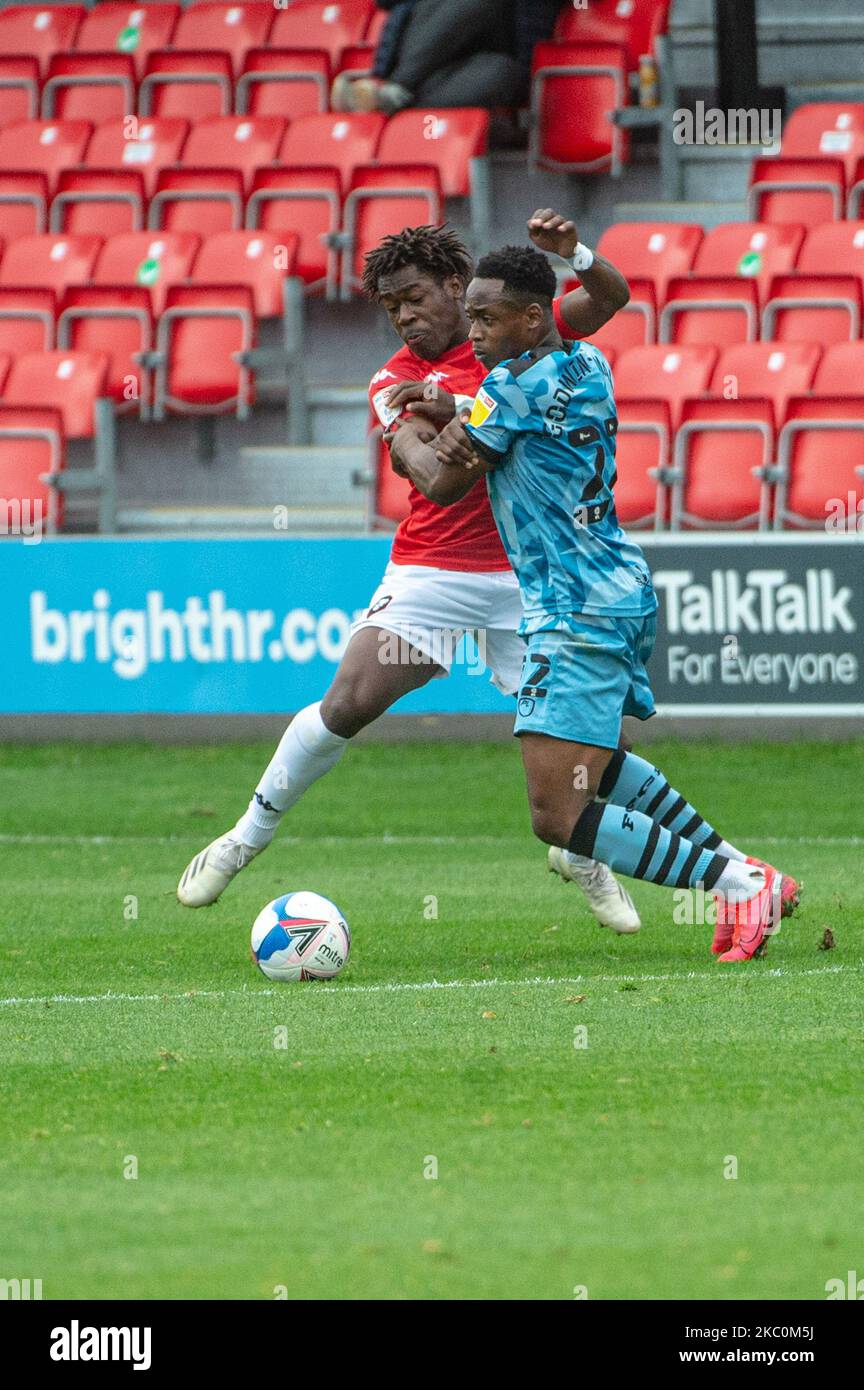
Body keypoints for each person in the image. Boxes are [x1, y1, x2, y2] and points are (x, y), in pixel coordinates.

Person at [177, 210, 645, 933]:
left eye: (415, 297)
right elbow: (434, 476)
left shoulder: (518, 329)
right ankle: (244, 838)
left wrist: (575, 253)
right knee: (348, 702)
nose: (403, 317)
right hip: (436, 568)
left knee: (595, 743)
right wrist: (425, 429)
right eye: (391, 306)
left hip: (533, 578)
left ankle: (581, 855)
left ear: (456, 287)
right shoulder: (397, 378)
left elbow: (609, 299)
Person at [388, 242, 802, 961]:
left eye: (486, 319)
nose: (474, 333)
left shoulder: (508, 388)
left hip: (570, 608)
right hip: (618, 587)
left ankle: (739, 882)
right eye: (472, 318)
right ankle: (746, 869)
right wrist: (457, 402)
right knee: (600, 760)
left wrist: (404, 439)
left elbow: (445, 483)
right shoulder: (587, 364)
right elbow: (524, 405)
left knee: (556, 813)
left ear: (530, 316)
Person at [332, 0, 565, 114]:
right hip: (423, 43)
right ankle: (396, 86)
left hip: (486, 61)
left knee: (501, 73)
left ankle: (389, 97)